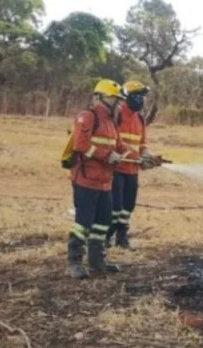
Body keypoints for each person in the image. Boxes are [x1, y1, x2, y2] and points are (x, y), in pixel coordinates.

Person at [66, 79, 137, 279]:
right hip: (87, 179)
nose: (118, 103)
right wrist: (105, 155)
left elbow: (121, 147)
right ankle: (74, 263)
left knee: (103, 222)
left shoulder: (111, 122)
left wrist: (141, 159)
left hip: (105, 182)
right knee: (83, 223)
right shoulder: (87, 117)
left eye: (118, 99)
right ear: (100, 98)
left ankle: (97, 261)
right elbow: (80, 145)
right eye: (114, 99)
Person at [107, 80, 157, 249]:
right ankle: (106, 237)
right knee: (115, 206)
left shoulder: (140, 119)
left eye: (143, 97)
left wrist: (148, 157)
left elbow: (142, 145)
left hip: (132, 169)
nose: (141, 100)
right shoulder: (116, 114)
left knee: (128, 206)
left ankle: (122, 238)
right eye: (138, 96)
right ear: (127, 96)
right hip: (116, 169)